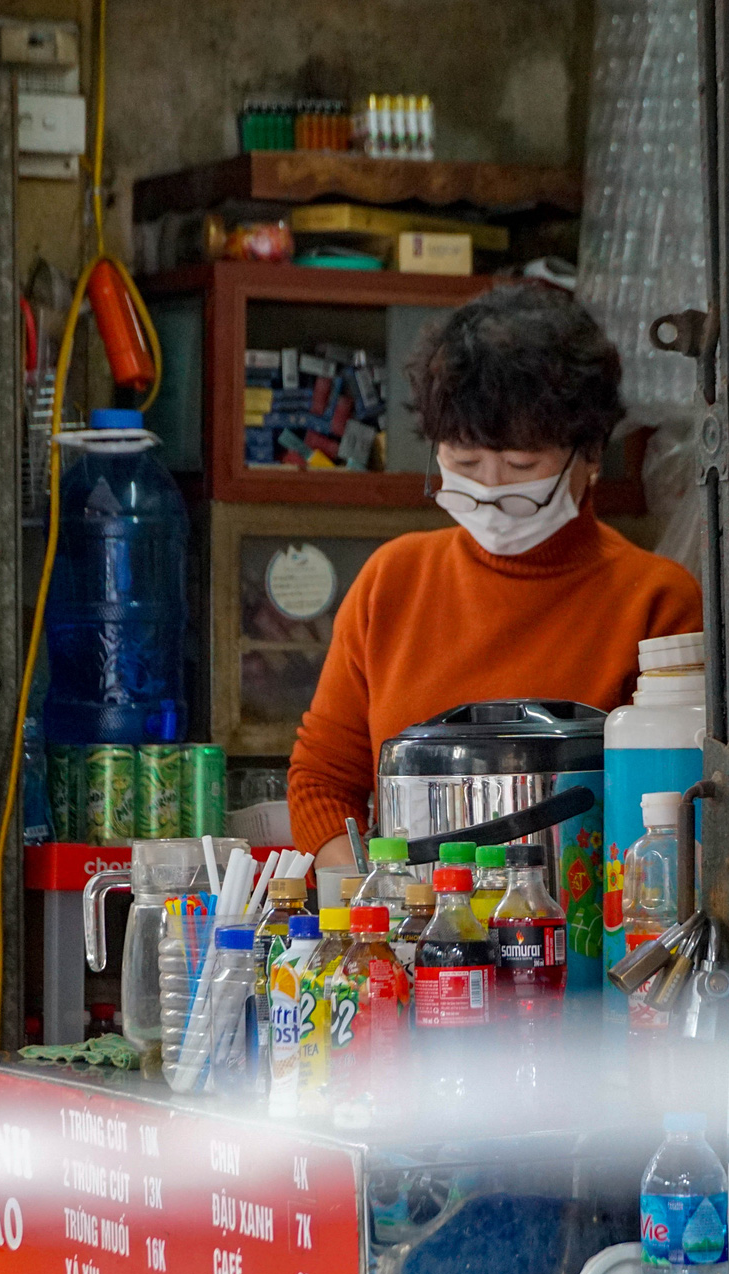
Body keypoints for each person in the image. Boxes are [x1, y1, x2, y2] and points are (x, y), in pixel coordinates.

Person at [290, 283, 702, 864]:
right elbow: (323, 780)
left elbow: (675, 801)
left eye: (520, 465)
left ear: (588, 454)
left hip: (585, 929)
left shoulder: (658, 602)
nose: (488, 487)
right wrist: (371, 904)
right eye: (463, 462)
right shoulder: (392, 580)